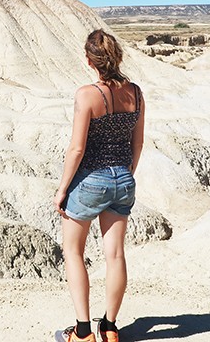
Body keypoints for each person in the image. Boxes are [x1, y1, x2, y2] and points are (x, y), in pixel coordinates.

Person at [53, 29, 145, 342]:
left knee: (73, 252)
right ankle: (109, 328)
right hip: (124, 179)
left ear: (90, 61)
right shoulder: (136, 92)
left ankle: (82, 333)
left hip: (91, 180)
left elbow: (77, 149)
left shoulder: (86, 94)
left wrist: (63, 188)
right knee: (115, 255)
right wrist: (126, 173)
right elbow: (138, 142)